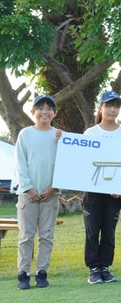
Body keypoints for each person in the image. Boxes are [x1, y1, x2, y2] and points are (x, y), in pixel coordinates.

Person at [83, 90, 121, 284]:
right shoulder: (90, 133)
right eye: (109, 106)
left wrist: (120, 187)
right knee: (92, 231)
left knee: (109, 233)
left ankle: (105, 267)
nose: (112, 110)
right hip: (93, 194)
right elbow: (84, 163)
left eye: (116, 106)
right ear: (101, 108)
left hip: (113, 195)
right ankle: (94, 269)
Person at [14, 94, 62, 289]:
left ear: (54, 113)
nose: (44, 111)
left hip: (51, 194)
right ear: (33, 112)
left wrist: (54, 187)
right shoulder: (25, 134)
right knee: (26, 236)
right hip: (28, 195)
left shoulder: (60, 135)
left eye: (49, 108)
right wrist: (28, 188)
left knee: (46, 236)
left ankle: (41, 273)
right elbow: (20, 163)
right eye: (40, 108)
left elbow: (65, 164)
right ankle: (23, 274)